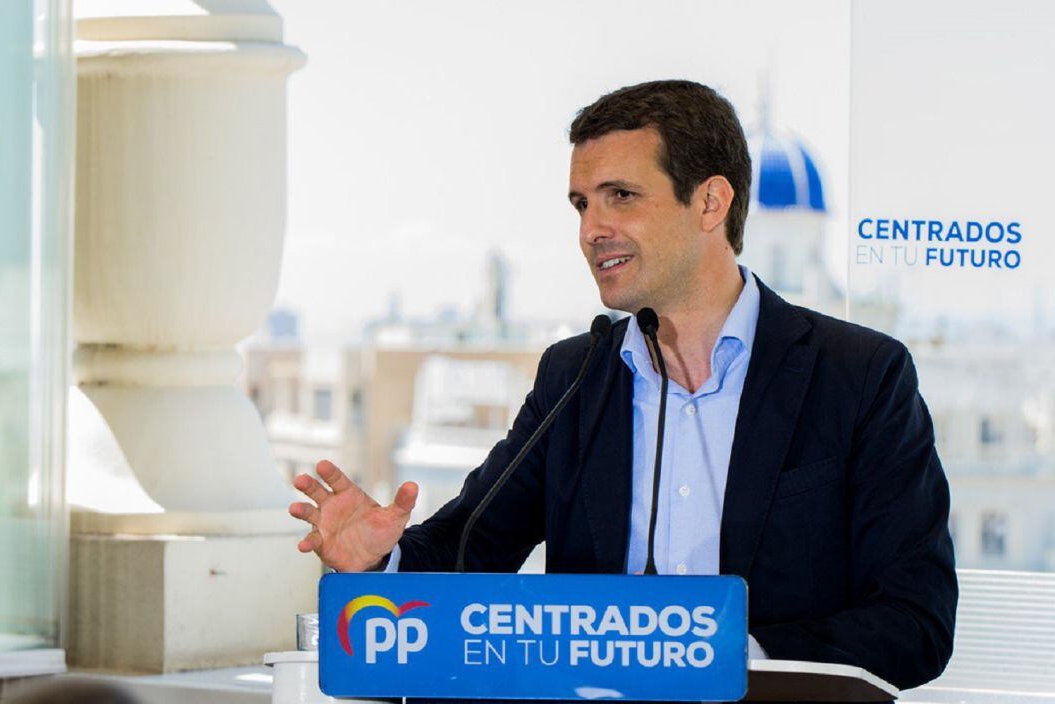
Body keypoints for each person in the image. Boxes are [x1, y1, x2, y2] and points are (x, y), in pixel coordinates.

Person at [288, 80, 957, 690]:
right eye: (582, 203)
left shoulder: (859, 375)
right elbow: (470, 548)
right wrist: (381, 565)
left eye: (622, 197)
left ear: (710, 202)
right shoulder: (575, 378)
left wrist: (724, 658)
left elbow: (913, 620)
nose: (589, 231)